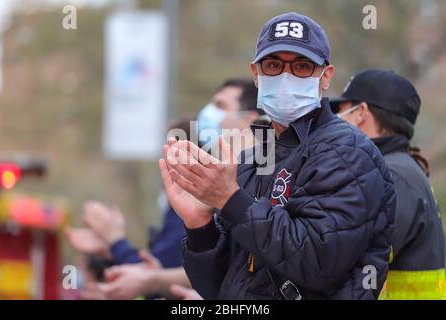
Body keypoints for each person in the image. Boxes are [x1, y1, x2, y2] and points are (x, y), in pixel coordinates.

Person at [159, 12, 396, 300]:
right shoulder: (253, 160)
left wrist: (229, 200)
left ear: (326, 76)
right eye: (273, 65)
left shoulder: (348, 153)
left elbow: (318, 263)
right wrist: (199, 227)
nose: (286, 76)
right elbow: (217, 287)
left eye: (302, 66)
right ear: (256, 74)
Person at [66, 78, 261, 299]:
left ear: (249, 120)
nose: (208, 114)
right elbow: (204, 268)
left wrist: (116, 241)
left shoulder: (258, 186)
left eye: (220, 106)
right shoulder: (212, 191)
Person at [331, 69, 446, 300]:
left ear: (361, 112)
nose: (335, 120)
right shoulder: (402, 168)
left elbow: (347, 262)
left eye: (341, 111)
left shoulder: (391, 175)